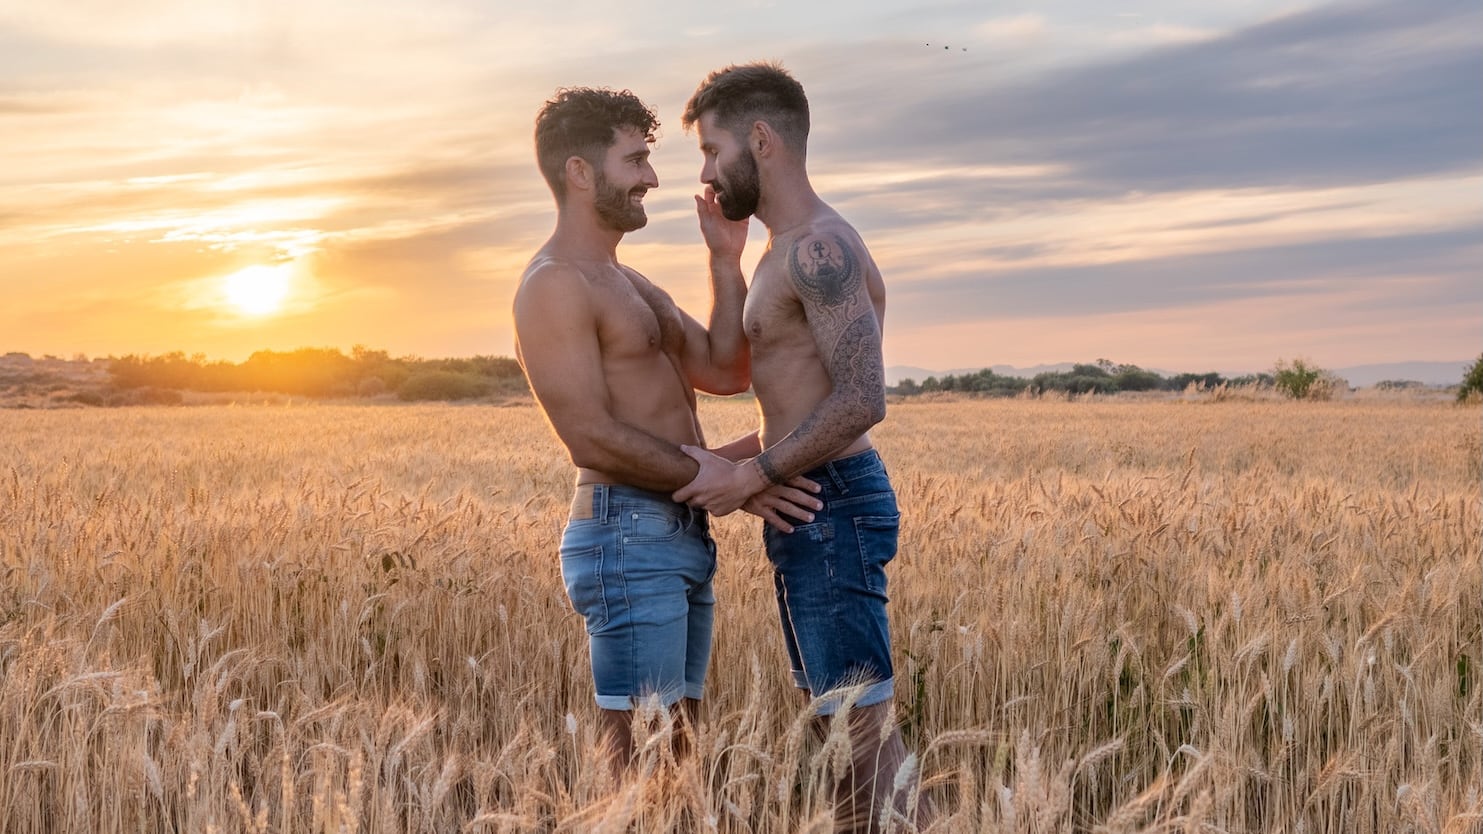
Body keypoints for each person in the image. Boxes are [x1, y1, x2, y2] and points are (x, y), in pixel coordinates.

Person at [512, 87, 822, 781]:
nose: (652, 178)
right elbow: (589, 437)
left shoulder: (630, 284)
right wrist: (724, 480)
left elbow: (724, 367)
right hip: (626, 534)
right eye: (636, 160)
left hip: (673, 533)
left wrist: (724, 261)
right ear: (580, 172)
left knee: (676, 756)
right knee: (640, 761)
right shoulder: (553, 285)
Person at [673, 63, 930, 832]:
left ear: (762, 139)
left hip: (833, 506)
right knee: (838, 728)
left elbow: (861, 399)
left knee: (858, 736)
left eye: (713, 150)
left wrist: (752, 472)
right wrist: (713, 468)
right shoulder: (778, 251)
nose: (707, 173)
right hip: (811, 507)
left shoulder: (820, 249)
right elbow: (792, 405)